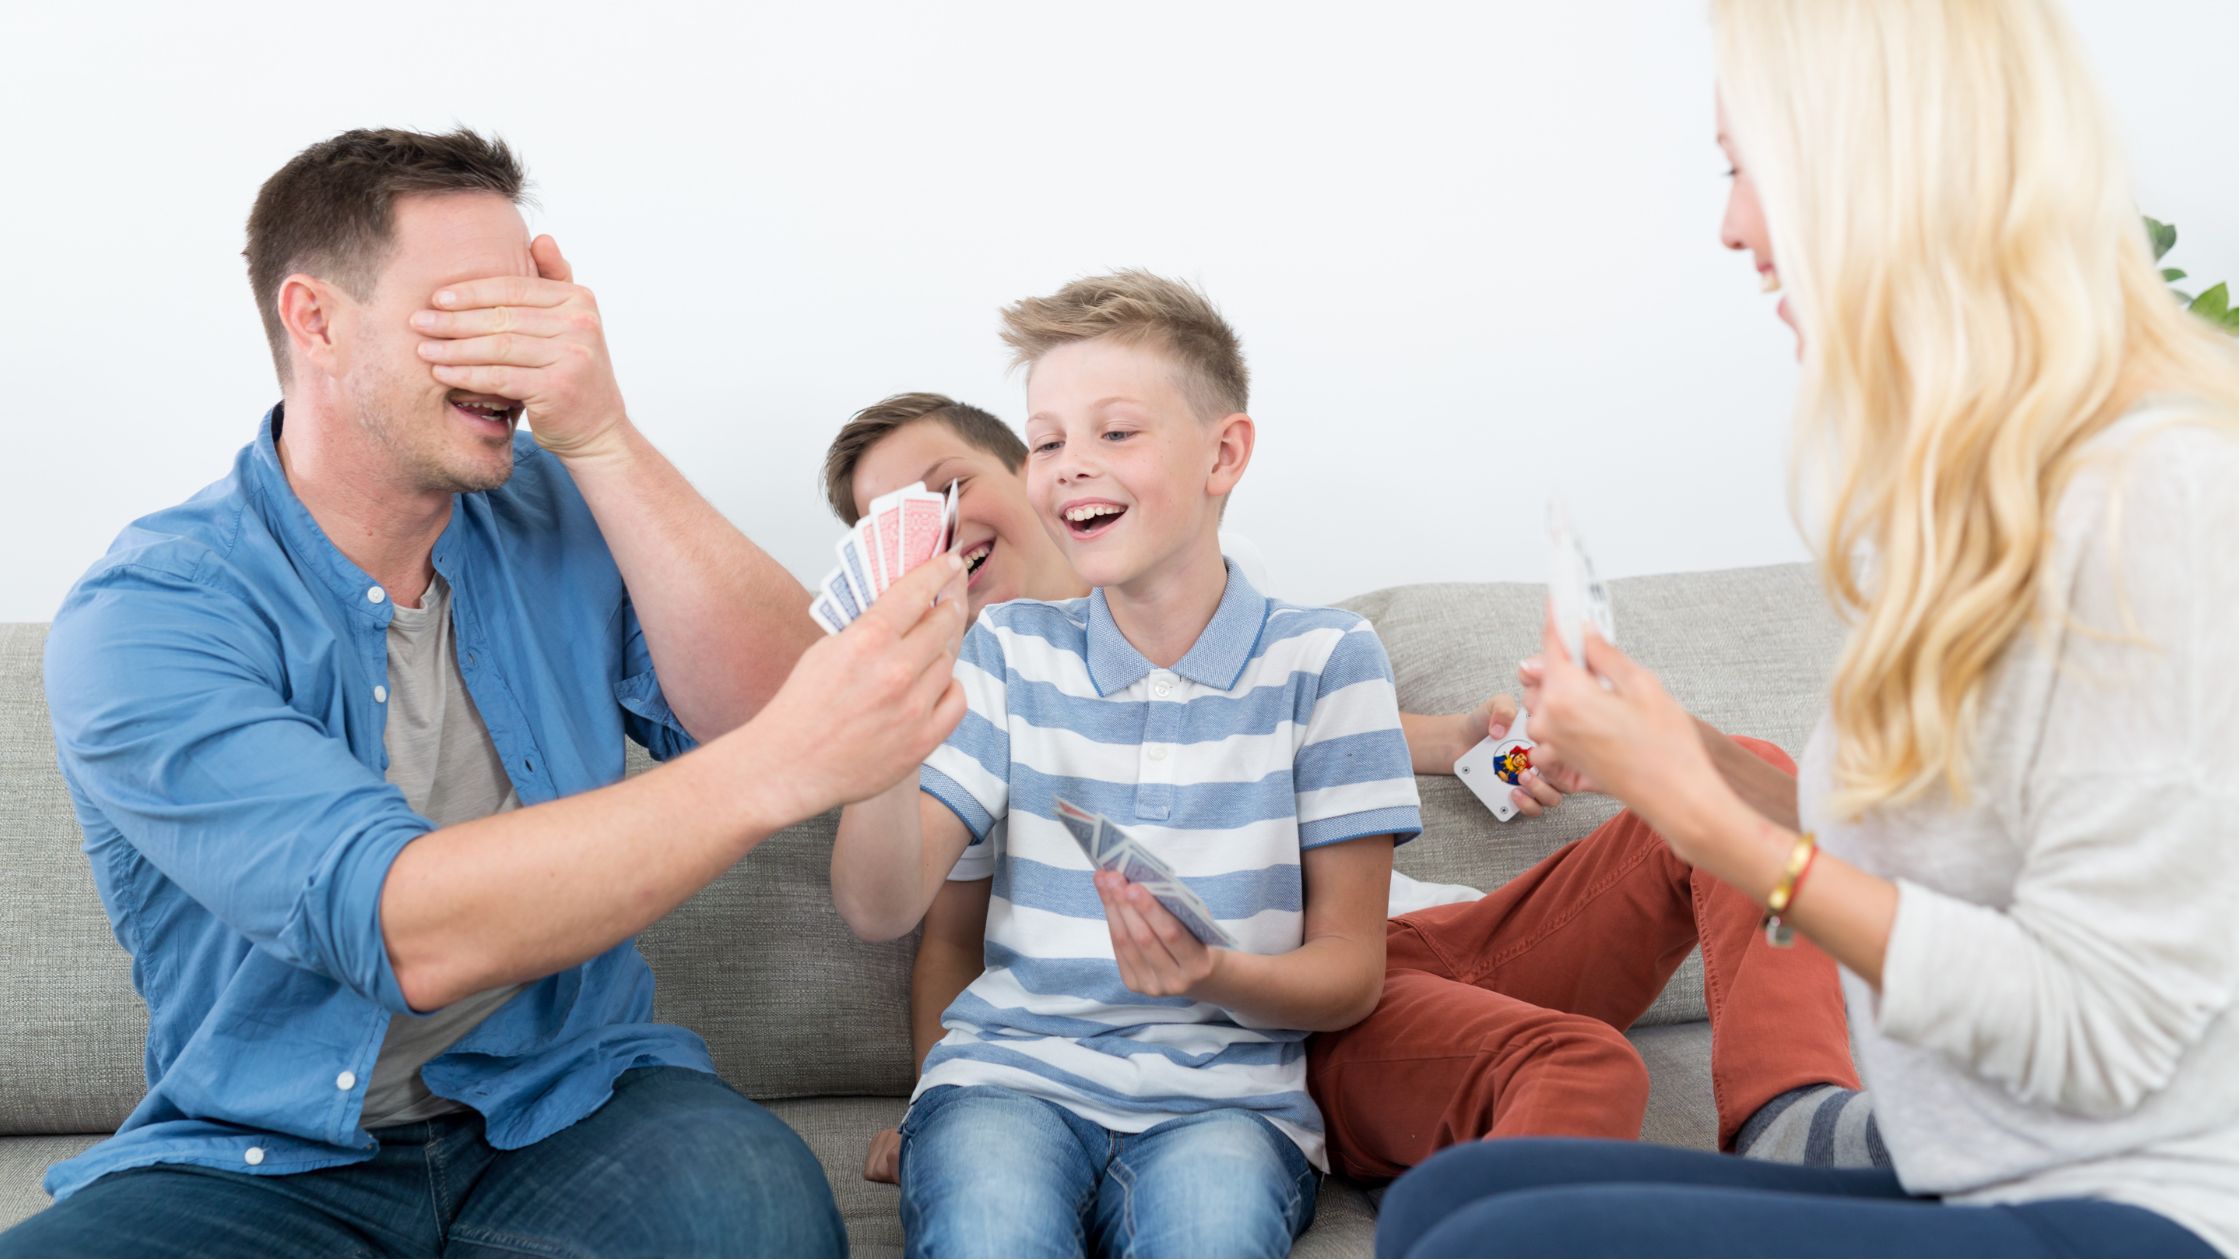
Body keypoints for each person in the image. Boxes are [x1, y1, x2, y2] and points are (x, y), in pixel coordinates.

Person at [0, 128, 968, 1259]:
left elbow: (780, 703)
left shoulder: (557, 511)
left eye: (534, 311)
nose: (516, 356)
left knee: (754, 1210)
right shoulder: (149, 615)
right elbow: (406, 930)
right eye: (468, 313)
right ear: (314, 320)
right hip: (266, 1158)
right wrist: (773, 767)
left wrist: (603, 437)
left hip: (577, 1107)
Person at [1377, 2, 2238, 1256]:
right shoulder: (1962, 502)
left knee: (1490, 1246)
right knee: (1447, 1204)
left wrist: (1711, 818)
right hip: (1977, 1170)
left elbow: (2096, 1025)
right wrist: (1680, 760)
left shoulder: (2147, 496)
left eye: (1743, 167)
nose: (1729, 225)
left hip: (2142, 1209)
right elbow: (1910, 877)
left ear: (1872, 163)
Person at [828, 391, 1876, 1189]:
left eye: (947, 483)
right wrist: (938, 1104)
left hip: (1436, 939)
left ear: (1035, 468)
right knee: (1580, 1063)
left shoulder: (1261, 632)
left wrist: (1497, 746)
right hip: (1308, 1007)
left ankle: (1791, 1117)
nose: (935, 525)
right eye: (896, 523)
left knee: (1751, 770)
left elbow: (1390, 745)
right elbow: (948, 941)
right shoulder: (979, 704)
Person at [829, 270, 1425, 1257]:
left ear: (1222, 454)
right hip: (1004, 1086)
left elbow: (1350, 977)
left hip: (1227, 1110)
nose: (1069, 466)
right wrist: (881, 743)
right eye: (1048, 440)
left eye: (1115, 433)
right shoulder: (1002, 653)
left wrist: (1213, 973)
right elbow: (879, 909)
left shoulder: (1326, 662)